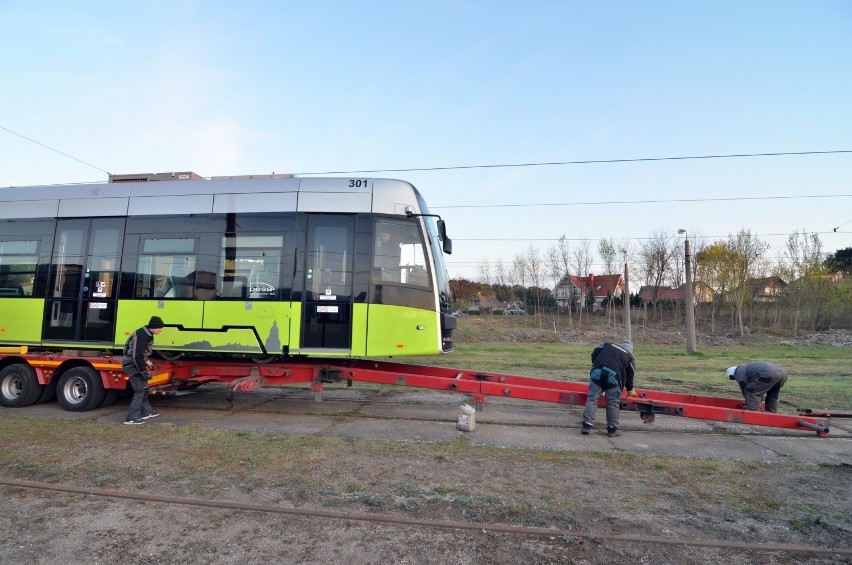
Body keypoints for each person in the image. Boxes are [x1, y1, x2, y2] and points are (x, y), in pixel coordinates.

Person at [582, 339, 637, 437]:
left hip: (597, 372)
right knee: (612, 403)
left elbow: (594, 353)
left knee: (592, 399)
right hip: (613, 377)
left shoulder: (607, 344)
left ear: (621, 344)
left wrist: (596, 364)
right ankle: (612, 429)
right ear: (630, 349)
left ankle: (586, 425)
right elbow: (630, 377)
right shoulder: (630, 357)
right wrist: (630, 389)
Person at [122, 316, 165, 424]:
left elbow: (142, 354)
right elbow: (136, 356)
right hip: (131, 365)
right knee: (140, 391)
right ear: (154, 327)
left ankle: (147, 412)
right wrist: (144, 372)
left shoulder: (147, 334)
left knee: (145, 389)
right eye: (160, 328)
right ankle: (131, 418)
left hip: (136, 364)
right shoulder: (141, 335)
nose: (161, 330)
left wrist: (149, 363)